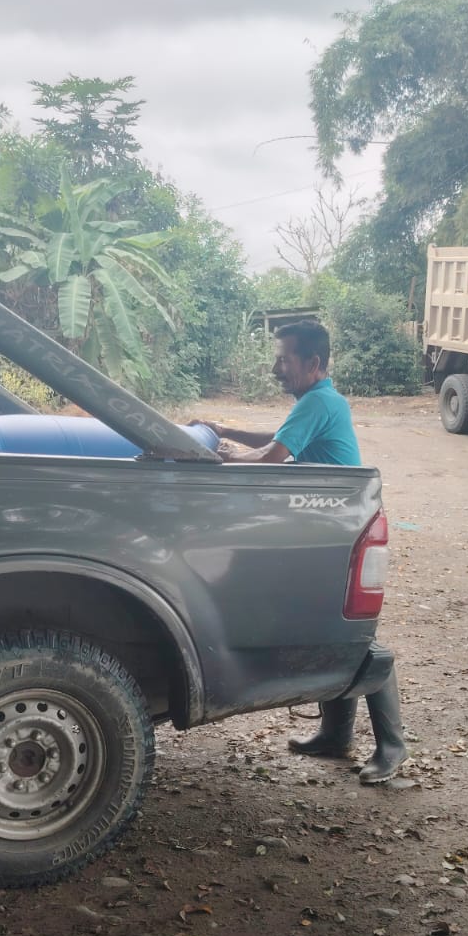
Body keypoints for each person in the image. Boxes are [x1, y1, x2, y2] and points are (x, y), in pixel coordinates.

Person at [193, 320, 408, 785]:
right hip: (328, 524)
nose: (276, 369)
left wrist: (222, 456)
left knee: (357, 639)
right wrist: (225, 430)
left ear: (313, 363)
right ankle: (335, 735)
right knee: (324, 627)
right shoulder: (319, 401)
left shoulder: (319, 402)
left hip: (339, 528)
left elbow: (272, 456)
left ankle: (393, 745)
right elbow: (282, 437)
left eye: (284, 360)